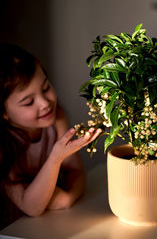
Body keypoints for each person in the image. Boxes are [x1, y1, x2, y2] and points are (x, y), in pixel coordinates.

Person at [0, 43, 102, 229]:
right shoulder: (4, 144)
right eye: (28, 102)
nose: (45, 103)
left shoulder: (57, 119)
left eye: (46, 88)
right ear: (3, 113)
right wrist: (56, 158)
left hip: (49, 225)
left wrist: (67, 199)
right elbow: (31, 207)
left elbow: (76, 172)